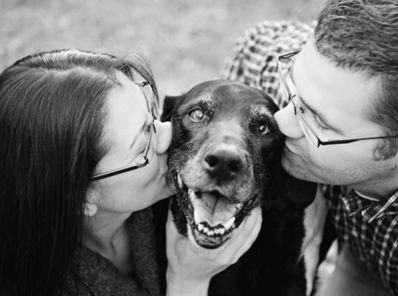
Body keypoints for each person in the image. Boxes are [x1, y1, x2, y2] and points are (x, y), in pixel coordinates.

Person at [223, 0, 398, 295]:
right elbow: (254, 45)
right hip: (362, 253)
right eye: (293, 84)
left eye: (318, 122)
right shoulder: (294, 72)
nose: (282, 122)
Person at [0, 48, 262, 296]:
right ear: (82, 194)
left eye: (153, 119)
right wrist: (189, 280)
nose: (169, 134)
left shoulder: (186, 203)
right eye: (144, 141)